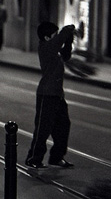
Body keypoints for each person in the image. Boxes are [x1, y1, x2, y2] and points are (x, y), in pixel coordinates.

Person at [25, 21, 75, 169]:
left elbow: (65, 56)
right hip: (46, 94)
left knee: (63, 125)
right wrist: (68, 30)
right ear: (47, 38)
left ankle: (56, 157)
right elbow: (60, 39)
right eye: (54, 35)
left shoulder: (54, 50)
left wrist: (69, 43)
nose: (56, 38)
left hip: (57, 95)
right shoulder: (46, 48)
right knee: (43, 128)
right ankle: (33, 158)